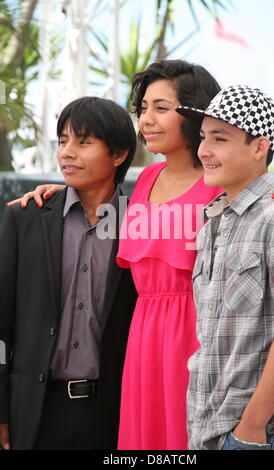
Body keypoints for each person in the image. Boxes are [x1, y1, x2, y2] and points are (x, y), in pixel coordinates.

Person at [7, 59, 223, 450]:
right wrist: (55, 197)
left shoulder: (217, 184)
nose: (148, 120)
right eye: (143, 109)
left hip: (190, 346)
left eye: (161, 108)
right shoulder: (144, 184)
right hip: (135, 353)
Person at [0, 96, 137, 450]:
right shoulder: (25, 218)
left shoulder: (140, 225)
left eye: (83, 142)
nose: (67, 152)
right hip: (35, 410)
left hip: (114, 412)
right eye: (63, 141)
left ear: (119, 154)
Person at [176, 84, 274, 450]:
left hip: (259, 436)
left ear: (259, 147)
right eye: (202, 137)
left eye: (220, 138)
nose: (204, 151)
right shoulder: (214, 221)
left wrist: (250, 428)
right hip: (208, 430)